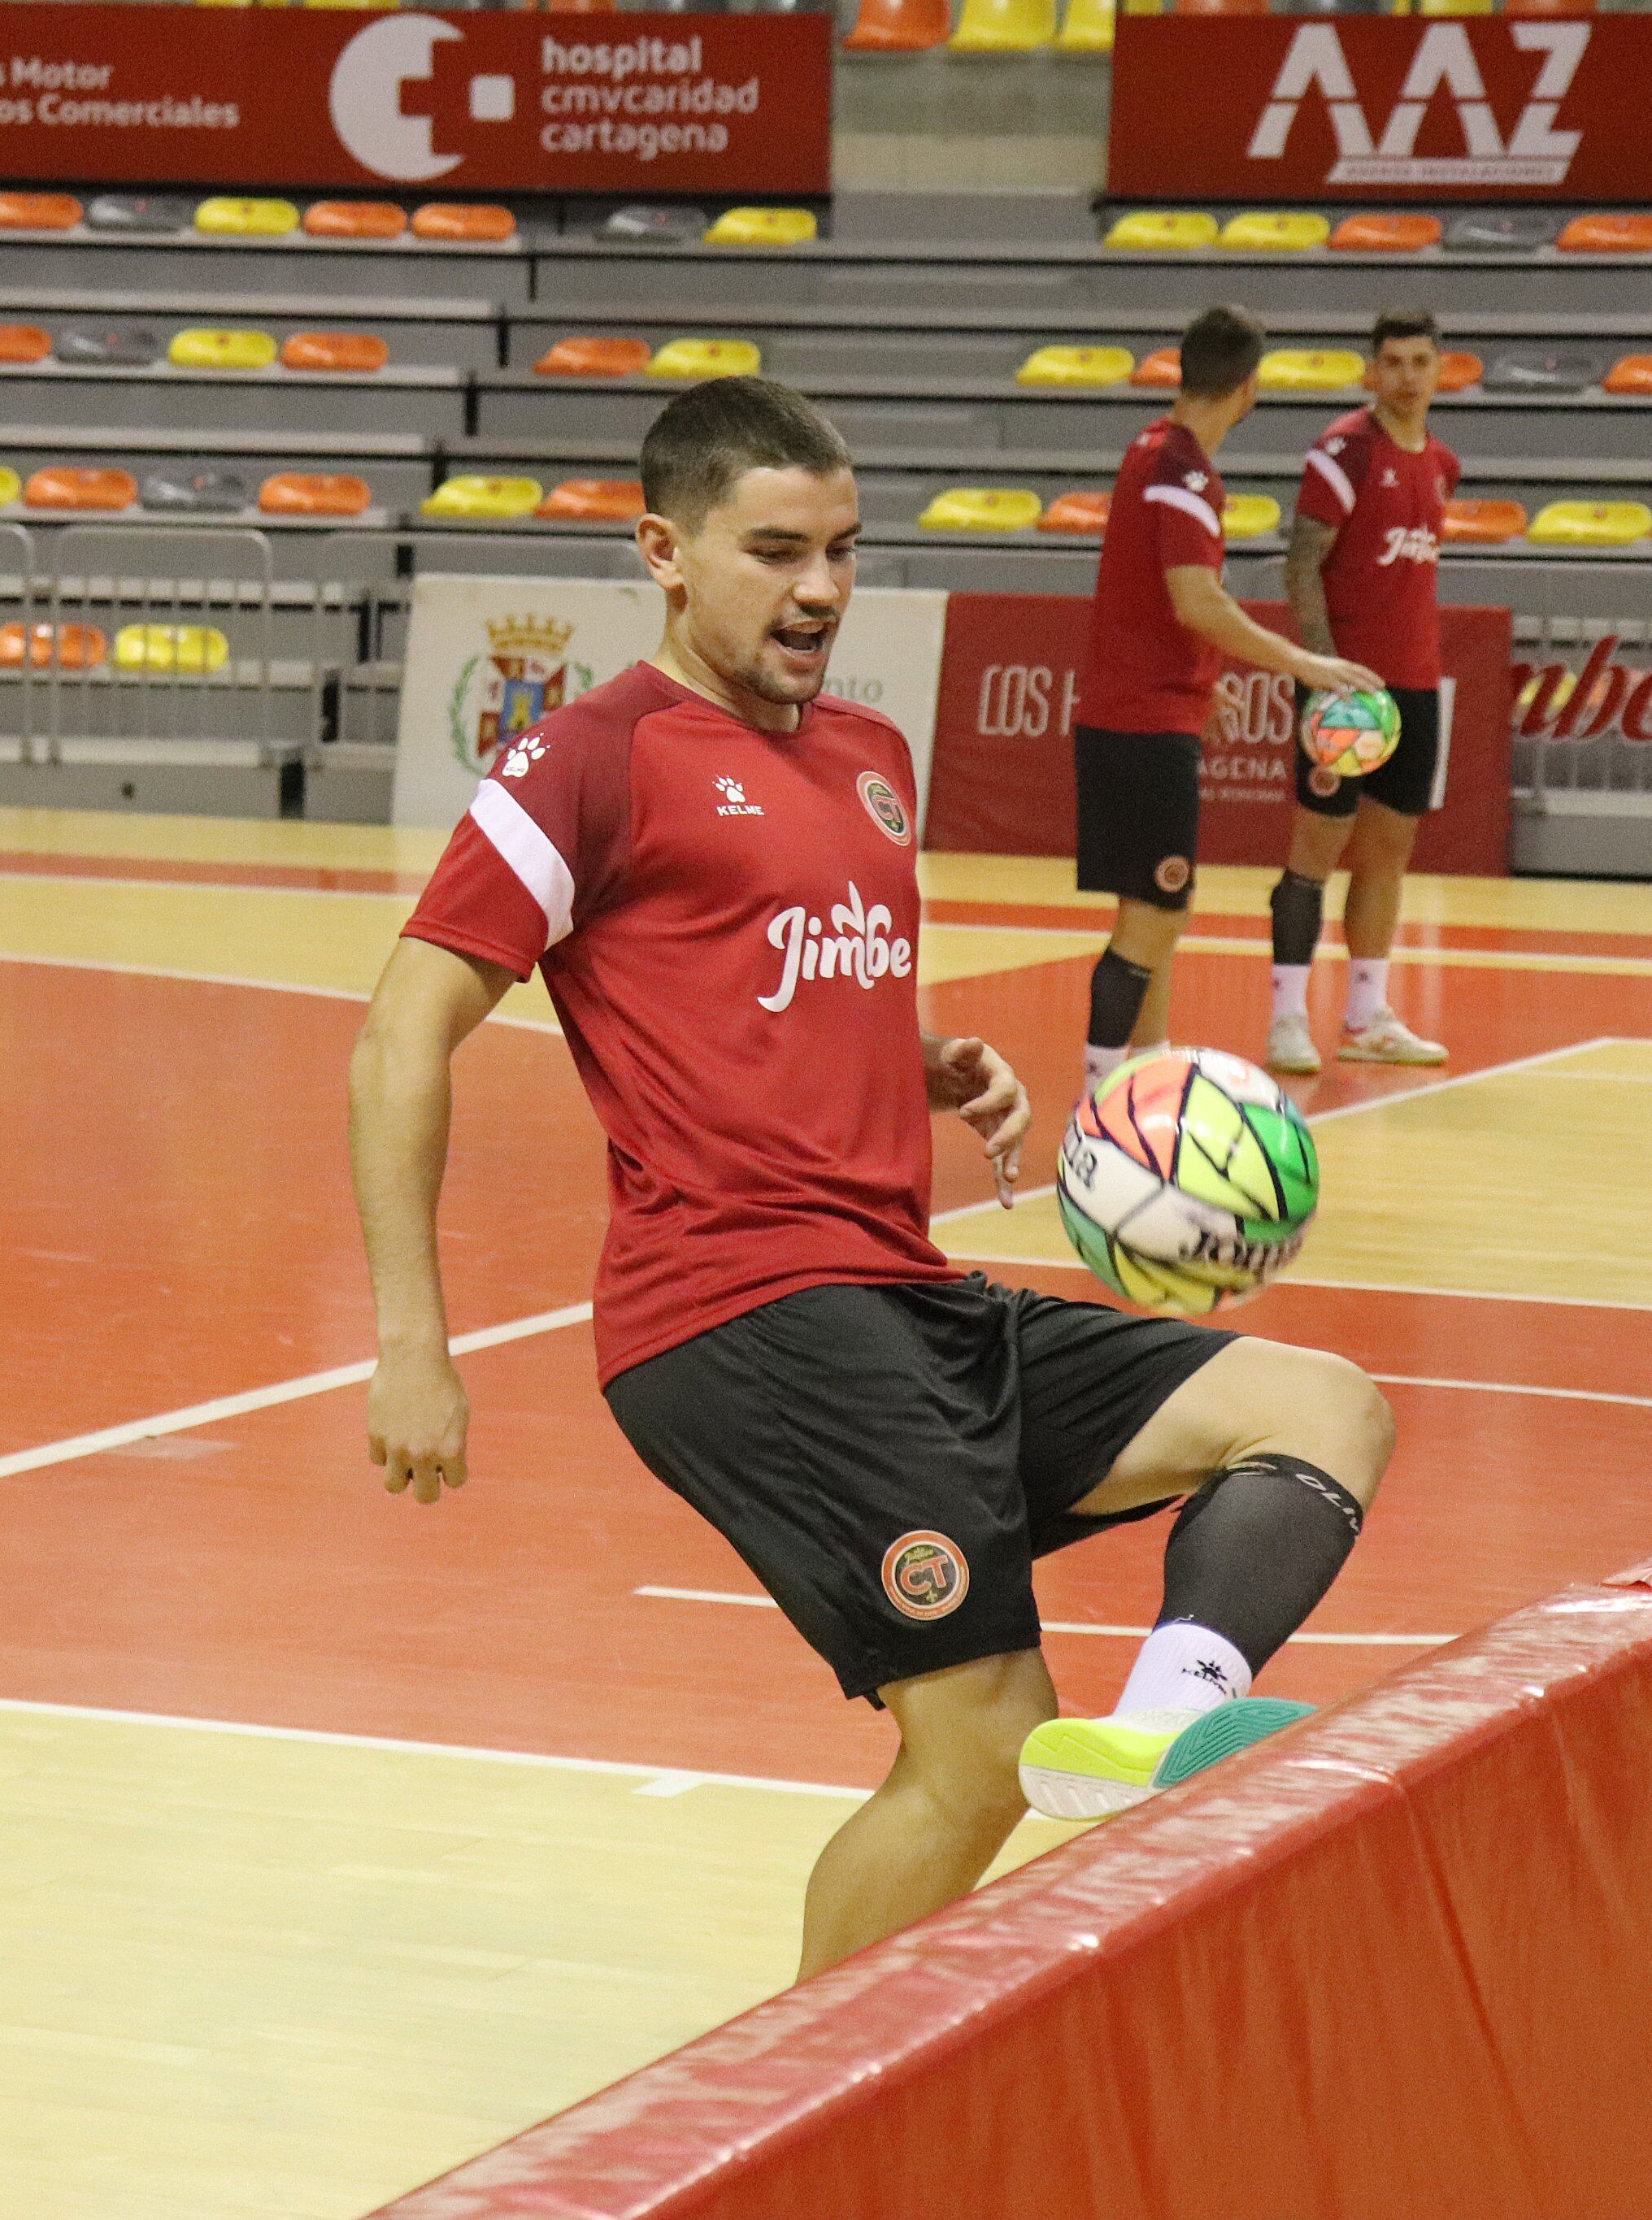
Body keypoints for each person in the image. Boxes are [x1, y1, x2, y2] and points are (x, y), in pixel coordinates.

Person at [350, 376, 1394, 1983]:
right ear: (664, 552)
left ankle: (1162, 1733)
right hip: (738, 1315)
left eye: (842, 548)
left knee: (1321, 1405)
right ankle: (784, 2127)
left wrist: (921, 1059)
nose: (821, 589)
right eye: (775, 551)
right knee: (978, 1748)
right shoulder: (589, 756)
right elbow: (398, 1034)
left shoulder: (866, 753)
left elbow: (772, 965)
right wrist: (410, 1340)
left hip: (901, 1292)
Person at [1072, 304, 1381, 1090]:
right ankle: (1101, 1094)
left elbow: (1158, 600)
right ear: (1250, 388)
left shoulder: (1147, 447)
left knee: (1150, 908)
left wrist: (1205, 681)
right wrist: (1299, 662)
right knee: (1157, 912)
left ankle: (1146, 1071)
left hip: (1132, 711)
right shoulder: (1184, 473)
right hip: (1144, 725)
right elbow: (1195, 599)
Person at [1267, 308, 1464, 1075]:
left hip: (1415, 686)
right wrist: (1325, 674)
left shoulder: (1443, 465)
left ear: (1439, 370)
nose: (1407, 376)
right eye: (1393, 362)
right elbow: (1300, 563)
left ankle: (1366, 1012)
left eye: (1420, 362)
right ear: (1370, 372)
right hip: (1345, 686)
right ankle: (1288, 1015)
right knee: (1315, 848)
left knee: (1388, 855)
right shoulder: (1344, 452)